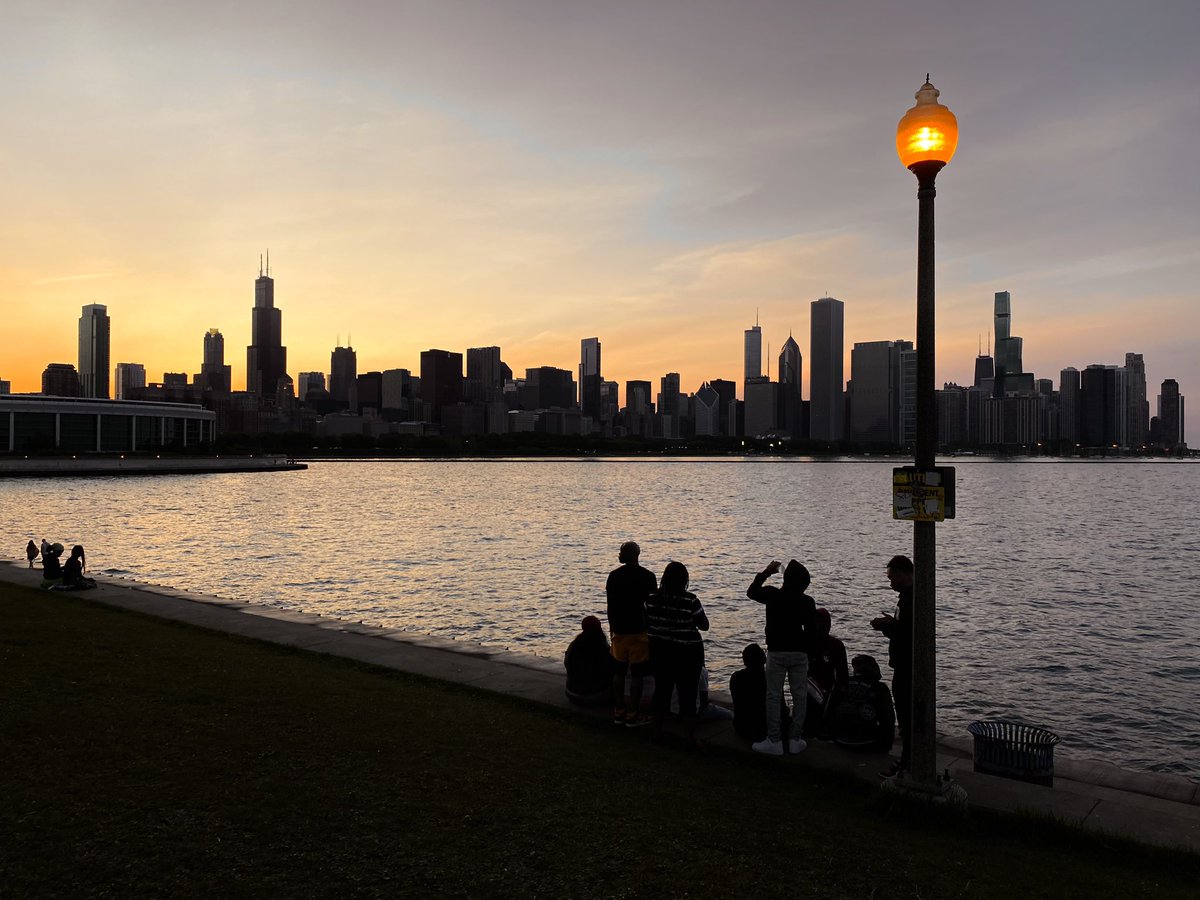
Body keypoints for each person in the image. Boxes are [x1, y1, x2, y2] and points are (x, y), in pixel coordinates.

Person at [746, 559, 816, 756]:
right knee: (800, 696)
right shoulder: (807, 602)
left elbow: (751, 591)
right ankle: (795, 738)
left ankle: (774, 739)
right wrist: (809, 654)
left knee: (774, 695)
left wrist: (767, 572)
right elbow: (811, 632)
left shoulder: (773, 594)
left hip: (777, 652)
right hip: (800, 653)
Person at [645, 561, 709, 748]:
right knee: (687, 695)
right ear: (684, 580)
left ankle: (657, 733)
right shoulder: (690, 600)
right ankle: (688, 738)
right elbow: (704, 625)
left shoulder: (651, 599)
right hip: (687, 654)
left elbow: (646, 621)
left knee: (661, 692)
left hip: (660, 652)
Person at [606, 541, 657, 727]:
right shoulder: (648, 576)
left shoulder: (614, 576)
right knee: (637, 674)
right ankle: (633, 713)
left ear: (625, 555)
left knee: (618, 672)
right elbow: (652, 607)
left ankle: (619, 710)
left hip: (619, 630)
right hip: (639, 631)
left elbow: (610, 606)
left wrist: (612, 627)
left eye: (620, 551)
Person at [871, 554, 914, 777]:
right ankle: (909, 759)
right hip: (905, 664)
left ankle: (908, 761)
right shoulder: (908, 597)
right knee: (908, 715)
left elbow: (905, 633)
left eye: (890, 578)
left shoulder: (910, 598)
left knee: (907, 715)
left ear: (900, 573)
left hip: (907, 666)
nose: (890, 583)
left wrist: (884, 627)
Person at [829, 654, 895, 753]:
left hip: (841, 740)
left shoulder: (842, 683)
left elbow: (830, 711)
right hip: (868, 742)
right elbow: (889, 720)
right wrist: (886, 746)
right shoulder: (881, 688)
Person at [805, 608, 849, 738]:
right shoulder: (805, 643)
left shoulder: (836, 645)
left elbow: (842, 675)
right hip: (806, 689)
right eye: (814, 621)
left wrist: (838, 694)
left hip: (827, 691)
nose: (817, 625)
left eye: (820, 621)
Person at [564, 615, 615, 706]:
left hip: (571, 693)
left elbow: (567, 663)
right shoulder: (602, 647)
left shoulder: (574, 645)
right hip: (596, 697)